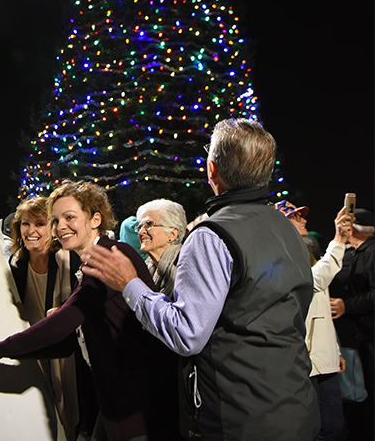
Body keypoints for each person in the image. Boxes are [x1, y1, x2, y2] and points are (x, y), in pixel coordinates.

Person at [81, 118, 320, 441]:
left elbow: (186, 334)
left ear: (212, 169)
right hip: (297, 409)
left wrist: (129, 284)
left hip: (237, 419)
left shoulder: (212, 236)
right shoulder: (287, 230)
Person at [0, 180, 180, 441]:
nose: (60, 226)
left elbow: (62, 323)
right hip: (117, 401)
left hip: (140, 403)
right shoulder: (87, 265)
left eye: (69, 217)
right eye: (55, 220)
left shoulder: (111, 255)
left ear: (95, 219)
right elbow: (67, 343)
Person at [276, 199, 353, 441]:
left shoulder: (303, 253)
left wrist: (335, 349)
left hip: (322, 356)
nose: (304, 220)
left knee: (333, 424)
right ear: (282, 223)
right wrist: (339, 239)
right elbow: (315, 281)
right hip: (306, 360)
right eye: (296, 217)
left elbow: (320, 306)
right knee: (323, 426)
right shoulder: (280, 255)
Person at [8, 197, 81, 441]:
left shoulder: (70, 261)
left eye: (38, 223)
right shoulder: (15, 265)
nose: (30, 231)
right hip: (33, 355)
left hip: (71, 359)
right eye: (25, 224)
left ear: (52, 228)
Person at [329, 207, 374, 441]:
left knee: (366, 397)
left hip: (368, 336)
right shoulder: (351, 252)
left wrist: (347, 305)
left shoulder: (372, 252)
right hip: (352, 336)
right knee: (355, 396)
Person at [134, 199, 187, 297]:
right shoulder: (147, 267)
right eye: (140, 226)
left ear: (172, 234)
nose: (141, 232)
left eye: (149, 224)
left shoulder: (184, 269)